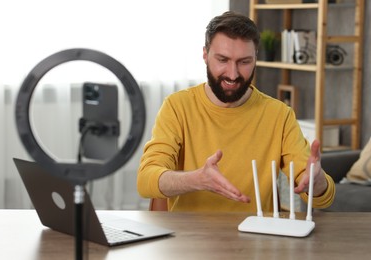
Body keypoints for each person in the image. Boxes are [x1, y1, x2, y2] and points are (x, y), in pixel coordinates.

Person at [137, 11, 335, 212]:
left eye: (244, 62)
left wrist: (317, 182)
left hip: (256, 238)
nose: (233, 74)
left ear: (256, 58)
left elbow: (320, 197)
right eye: (223, 60)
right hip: (189, 238)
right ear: (205, 55)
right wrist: (197, 180)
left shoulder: (279, 115)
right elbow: (146, 180)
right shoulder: (177, 107)